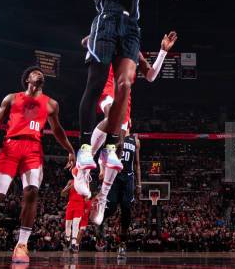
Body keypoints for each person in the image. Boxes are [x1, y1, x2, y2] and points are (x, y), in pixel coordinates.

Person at [75, 0, 151, 195]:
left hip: (130, 28)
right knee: (95, 85)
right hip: (105, 22)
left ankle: (108, 148)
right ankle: (83, 147)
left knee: (125, 85)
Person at [0, 66, 75, 263]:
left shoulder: (51, 104)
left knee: (32, 191)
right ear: (27, 79)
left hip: (33, 148)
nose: (40, 73)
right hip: (10, 146)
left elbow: (58, 130)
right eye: (35, 72)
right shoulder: (11, 98)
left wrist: (70, 149)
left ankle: (22, 245)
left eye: (42, 74)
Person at [73, 31, 177, 202]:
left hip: (124, 96)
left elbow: (150, 76)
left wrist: (163, 51)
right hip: (107, 89)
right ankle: (83, 165)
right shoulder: (109, 38)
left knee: (120, 142)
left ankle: (103, 195)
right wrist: (98, 38)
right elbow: (85, 41)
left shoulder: (135, 50)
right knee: (111, 117)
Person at [96, 128, 142, 257]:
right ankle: (100, 223)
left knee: (126, 209)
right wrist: (102, 170)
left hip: (128, 177)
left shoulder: (135, 141)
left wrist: (139, 184)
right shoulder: (114, 138)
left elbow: (137, 164)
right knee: (111, 208)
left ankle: (122, 243)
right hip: (114, 176)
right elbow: (103, 154)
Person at [61, 177, 86, 253]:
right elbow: (62, 194)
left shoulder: (84, 181)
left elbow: (87, 196)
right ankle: (68, 240)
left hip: (80, 204)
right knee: (68, 224)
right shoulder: (70, 181)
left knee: (75, 224)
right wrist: (69, 187)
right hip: (71, 204)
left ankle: (73, 244)